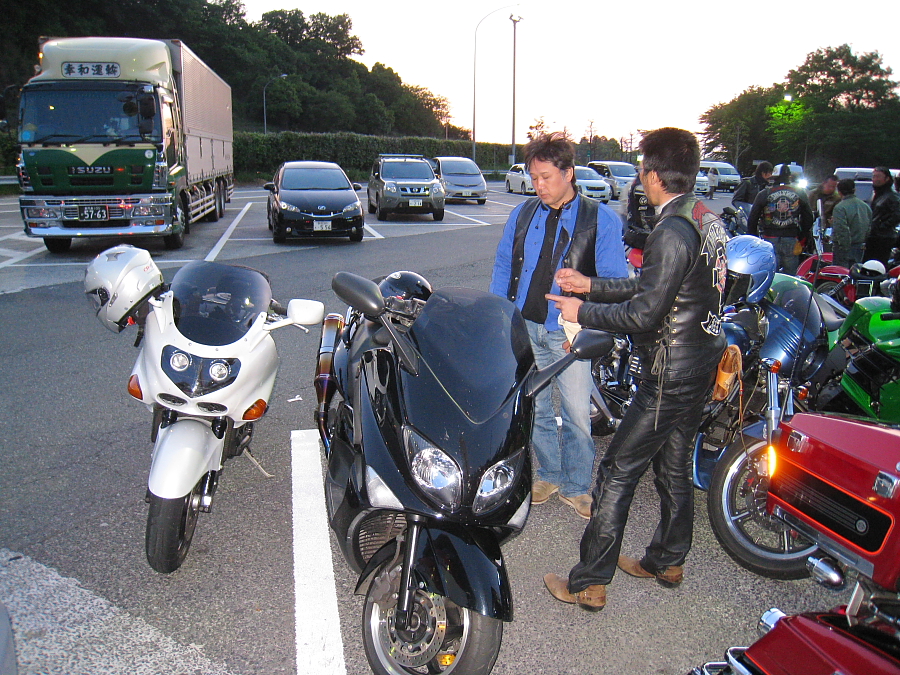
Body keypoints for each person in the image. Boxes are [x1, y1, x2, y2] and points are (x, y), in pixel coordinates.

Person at [541, 127, 728, 610]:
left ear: (654, 175)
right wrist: (590, 285)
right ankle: (667, 559)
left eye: (643, 169)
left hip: (669, 373)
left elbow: (645, 313)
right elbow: (657, 287)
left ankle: (589, 583)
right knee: (673, 465)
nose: (640, 178)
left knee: (616, 471)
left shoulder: (671, 230)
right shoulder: (704, 218)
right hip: (700, 363)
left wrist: (582, 311)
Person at [489, 132, 627, 519]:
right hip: (525, 326)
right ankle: (549, 475)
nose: (539, 185)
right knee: (535, 408)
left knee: (578, 412)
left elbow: (617, 282)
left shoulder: (600, 219)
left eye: (546, 177)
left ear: (568, 173)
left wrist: (587, 319)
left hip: (569, 332)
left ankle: (577, 485)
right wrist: (500, 316)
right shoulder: (523, 214)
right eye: (534, 178)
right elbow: (504, 265)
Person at [747, 166, 813, 274]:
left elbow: (752, 219)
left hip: (769, 238)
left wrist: (754, 238)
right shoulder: (800, 192)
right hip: (791, 237)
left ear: (774, 177)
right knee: (790, 275)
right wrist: (801, 235)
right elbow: (809, 217)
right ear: (789, 177)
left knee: (771, 274)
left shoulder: (765, 193)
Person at [830, 178, 872, 268]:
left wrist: (844, 247)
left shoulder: (840, 208)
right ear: (854, 190)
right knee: (855, 271)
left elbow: (841, 229)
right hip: (859, 246)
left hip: (843, 248)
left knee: (842, 272)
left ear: (839, 192)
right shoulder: (865, 206)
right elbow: (869, 227)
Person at [865, 167, 900, 266]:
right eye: (874, 176)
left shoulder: (892, 196)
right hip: (873, 237)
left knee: (879, 265)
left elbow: (897, 215)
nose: (875, 179)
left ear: (887, 178)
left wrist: (882, 226)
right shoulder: (876, 195)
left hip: (884, 238)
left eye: (878, 176)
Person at [623, 169, 656, 250]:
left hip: (636, 234)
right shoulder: (642, 187)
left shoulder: (637, 183)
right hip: (643, 238)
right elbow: (645, 218)